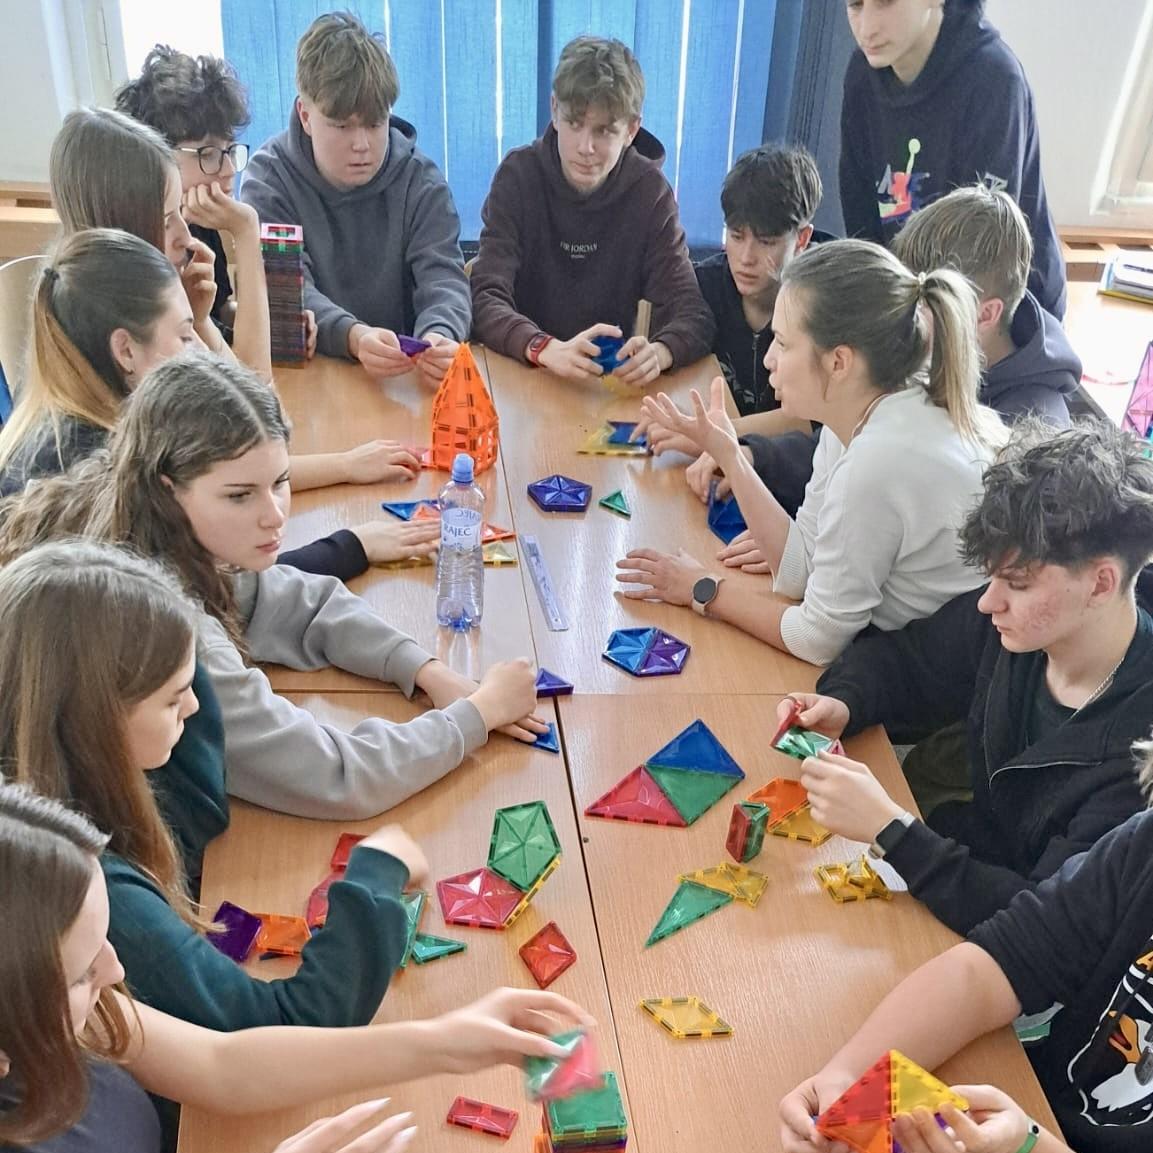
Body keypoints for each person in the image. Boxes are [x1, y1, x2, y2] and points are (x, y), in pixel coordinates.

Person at [0, 352, 545, 819]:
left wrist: (425, 670)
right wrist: (477, 715)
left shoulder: (147, 522)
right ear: (167, 490)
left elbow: (301, 601)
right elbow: (337, 776)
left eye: (280, 481)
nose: (274, 515)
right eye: (240, 495)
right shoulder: (167, 623)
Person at [0, 780, 593, 1152]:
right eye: (82, 971)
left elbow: (222, 1066)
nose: (114, 970)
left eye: (104, 941)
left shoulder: (78, 1016)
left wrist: (443, 1043)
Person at [0, 540, 433, 1035]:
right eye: (173, 699)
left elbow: (200, 814)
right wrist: (377, 875)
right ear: (95, 722)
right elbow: (288, 1024)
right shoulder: (89, 886)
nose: (194, 707)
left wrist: (184, 667)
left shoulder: (69, 766)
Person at [775, 420, 1153, 935]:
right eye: (990, 577)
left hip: (1012, 940)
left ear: (1101, 583)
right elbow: (908, 662)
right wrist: (844, 703)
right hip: (963, 864)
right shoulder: (1019, 629)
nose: (988, 602)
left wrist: (893, 831)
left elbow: (1045, 928)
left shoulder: (1138, 766)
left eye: (1017, 584)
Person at [616, 238, 1004, 667]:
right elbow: (800, 568)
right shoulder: (856, 414)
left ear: (839, 362)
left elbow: (817, 639)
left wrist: (702, 589)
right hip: (902, 657)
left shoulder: (877, 462)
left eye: (783, 343)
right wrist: (730, 455)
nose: (769, 359)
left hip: (929, 686)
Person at [778, 737, 1153, 1153]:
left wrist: (1028, 1146)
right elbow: (996, 964)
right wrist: (847, 1075)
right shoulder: (1143, 846)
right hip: (1034, 1097)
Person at [0, 229, 438, 573]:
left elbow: (243, 450)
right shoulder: (88, 465)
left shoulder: (75, 406)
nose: (196, 349)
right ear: (126, 350)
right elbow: (216, 593)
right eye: (184, 334)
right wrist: (354, 546)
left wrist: (344, 466)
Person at [48, 107, 407, 494]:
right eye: (168, 220)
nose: (185, 236)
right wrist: (247, 233)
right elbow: (260, 431)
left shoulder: (117, 307)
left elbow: (252, 418)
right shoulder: (136, 338)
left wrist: (201, 322)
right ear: (125, 230)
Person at [470, 35, 715, 386]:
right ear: (554, 110)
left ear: (631, 130)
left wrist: (661, 352)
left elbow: (692, 312)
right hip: (525, 371)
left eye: (604, 131)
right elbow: (484, 297)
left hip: (605, 383)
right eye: (574, 123)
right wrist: (543, 347)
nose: (585, 147)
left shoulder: (650, 193)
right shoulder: (518, 176)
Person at [240, 11, 468, 386]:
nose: (361, 144)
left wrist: (441, 333)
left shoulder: (420, 180)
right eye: (342, 126)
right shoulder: (269, 180)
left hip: (400, 380)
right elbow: (287, 292)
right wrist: (352, 336)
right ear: (306, 115)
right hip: (306, 378)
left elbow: (444, 278)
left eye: (375, 124)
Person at [839, 0, 1066, 319]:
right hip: (911, 298)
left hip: (1000, 310)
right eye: (855, 5)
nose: (866, 28)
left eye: (885, 3)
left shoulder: (995, 80)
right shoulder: (862, 74)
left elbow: (984, 245)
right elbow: (859, 209)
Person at [115, 43, 314, 367]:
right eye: (208, 154)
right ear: (156, 157)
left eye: (229, 150)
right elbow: (253, 378)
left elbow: (215, 315)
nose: (228, 169)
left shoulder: (198, 225)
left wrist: (277, 327)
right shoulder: (151, 249)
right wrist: (246, 230)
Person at [893, 184, 1080, 426]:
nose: (906, 317)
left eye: (924, 301)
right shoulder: (938, 358)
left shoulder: (1029, 430)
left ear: (985, 315)